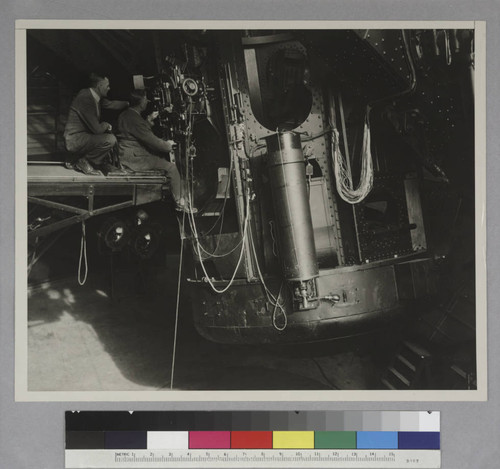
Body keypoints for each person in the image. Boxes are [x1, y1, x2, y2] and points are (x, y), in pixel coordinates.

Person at [116, 90, 196, 212]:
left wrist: (148, 120)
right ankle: (180, 203)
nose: (147, 101)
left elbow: (136, 132)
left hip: (125, 154)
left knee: (160, 160)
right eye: (145, 99)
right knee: (171, 168)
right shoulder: (135, 119)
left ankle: (175, 195)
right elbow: (152, 141)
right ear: (141, 102)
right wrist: (168, 145)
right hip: (134, 158)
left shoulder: (126, 114)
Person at [63, 72, 129, 175]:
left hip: (82, 137)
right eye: (107, 86)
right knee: (109, 139)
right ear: (99, 86)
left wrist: (129, 103)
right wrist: (106, 124)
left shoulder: (94, 96)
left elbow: (111, 104)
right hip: (74, 139)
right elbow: (97, 129)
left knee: (109, 137)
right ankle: (83, 161)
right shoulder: (85, 98)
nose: (109, 88)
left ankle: (79, 159)